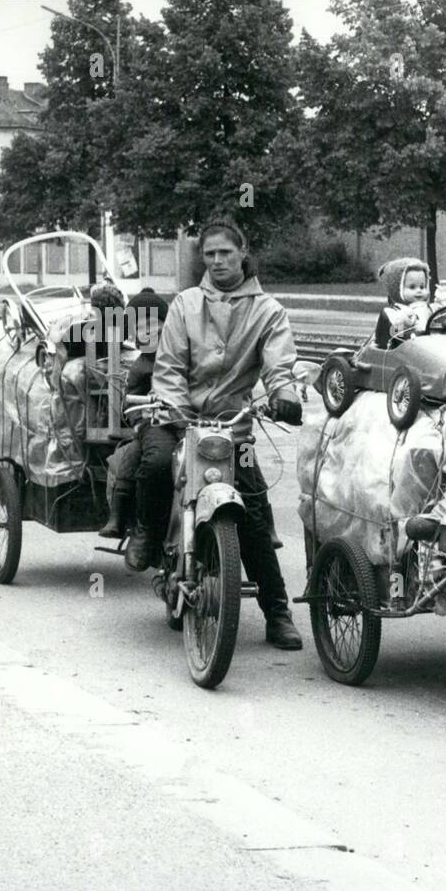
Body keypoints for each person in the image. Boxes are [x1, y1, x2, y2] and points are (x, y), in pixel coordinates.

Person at [125, 216, 305, 650]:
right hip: (176, 418)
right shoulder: (185, 304)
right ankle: (148, 534)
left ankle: (277, 612)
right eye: (210, 254)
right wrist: (174, 410)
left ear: (243, 253)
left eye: (226, 252)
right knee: (151, 464)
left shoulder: (268, 311)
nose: (219, 261)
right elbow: (168, 367)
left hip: (232, 428)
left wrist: (284, 395)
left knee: (257, 515)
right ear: (202, 259)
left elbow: (281, 365)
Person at [99, 288, 169, 539]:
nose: (151, 334)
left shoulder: (180, 358)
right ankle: (117, 516)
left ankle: (258, 520)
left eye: (158, 328)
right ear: (136, 336)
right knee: (129, 458)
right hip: (150, 426)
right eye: (143, 329)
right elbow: (128, 401)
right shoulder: (140, 367)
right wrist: (138, 421)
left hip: (183, 423)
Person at [373, 257, 432, 348]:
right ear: (397, 288)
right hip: (400, 351)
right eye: (412, 287)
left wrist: (445, 297)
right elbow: (394, 334)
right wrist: (405, 322)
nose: (419, 291)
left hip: (426, 349)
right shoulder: (394, 312)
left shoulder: (426, 308)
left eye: (422, 287)